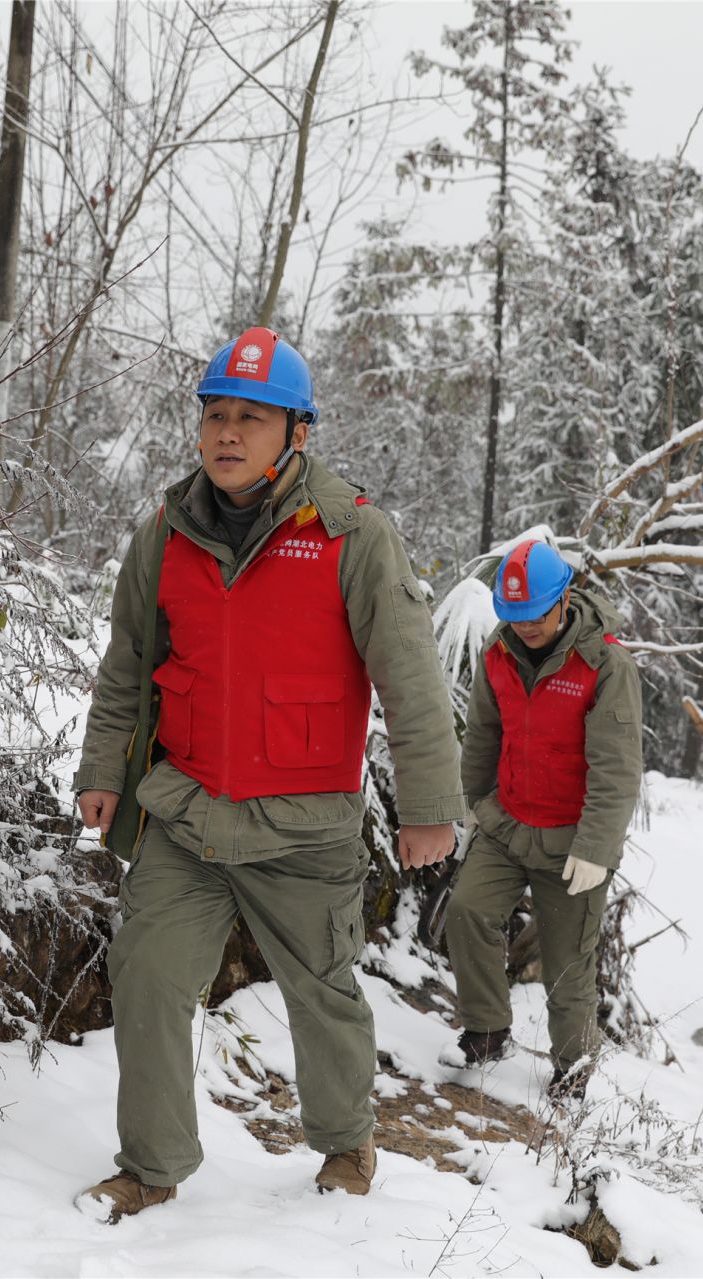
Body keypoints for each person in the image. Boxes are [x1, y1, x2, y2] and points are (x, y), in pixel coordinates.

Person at [72, 326, 465, 1223]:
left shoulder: (352, 533)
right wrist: (104, 768)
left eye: (252, 416)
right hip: (186, 809)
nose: (227, 431)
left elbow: (410, 678)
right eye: (215, 412)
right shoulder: (164, 535)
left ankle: (345, 1145)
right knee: (148, 971)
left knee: (322, 990)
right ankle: (153, 1165)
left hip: (305, 824)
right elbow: (127, 663)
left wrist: (430, 806)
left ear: (298, 432)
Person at [443, 538, 643, 1101]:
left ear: (563, 599)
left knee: (568, 966)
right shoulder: (499, 652)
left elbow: (617, 768)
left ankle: (572, 1071)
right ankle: (486, 1032)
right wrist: (470, 806)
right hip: (506, 825)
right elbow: (483, 734)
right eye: (513, 615)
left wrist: (597, 848)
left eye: (533, 614)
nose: (523, 626)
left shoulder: (604, 663)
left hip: (572, 842)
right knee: (468, 912)